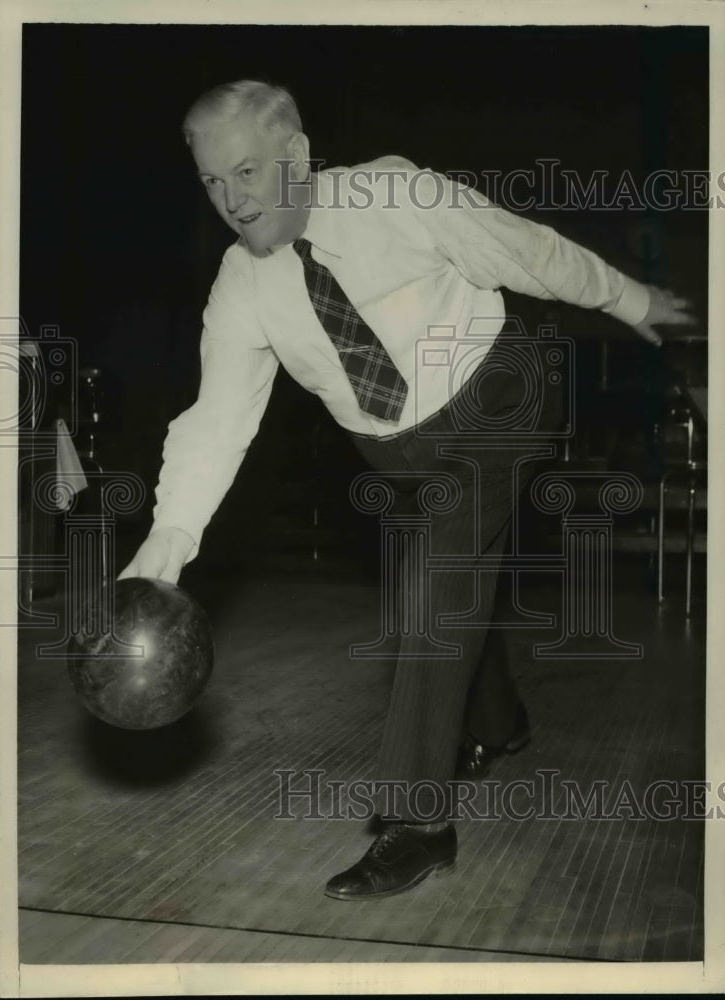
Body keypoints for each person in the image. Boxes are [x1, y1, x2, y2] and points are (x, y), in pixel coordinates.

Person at [119, 80, 694, 900]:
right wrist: (164, 547)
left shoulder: (392, 193)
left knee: (436, 575)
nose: (231, 201)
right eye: (211, 183)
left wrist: (631, 301)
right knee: (449, 574)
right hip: (392, 444)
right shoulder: (240, 289)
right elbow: (216, 423)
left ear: (297, 154)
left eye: (245, 172)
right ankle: (498, 723)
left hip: (498, 386)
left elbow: (525, 249)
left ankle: (415, 822)